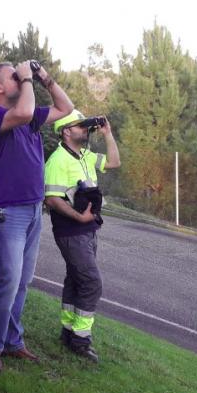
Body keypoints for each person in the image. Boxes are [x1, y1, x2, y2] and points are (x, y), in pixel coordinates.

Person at [0, 60, 74, 372]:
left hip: (32, 210)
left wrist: (42, 76)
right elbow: (22, 112)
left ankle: (12, 342)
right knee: (8, 278)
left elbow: (66, 107)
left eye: (21, 77)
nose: (20, 80)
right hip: (6, 210)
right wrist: (28, 79)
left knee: (22, 281)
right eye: (13, 77)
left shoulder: (28, 120)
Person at [44, 110, 121, 363]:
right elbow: (52, 199)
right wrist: (78, 218)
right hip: (72, 230)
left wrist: (107, 134)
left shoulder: (85, 155)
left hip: (87, 230)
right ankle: (81, 340)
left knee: (76, 280)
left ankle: (68, 332)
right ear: (66, 131)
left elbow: (113, 163)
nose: (85, 130)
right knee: (91, 283)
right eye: (81, 126)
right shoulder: (58, 160)